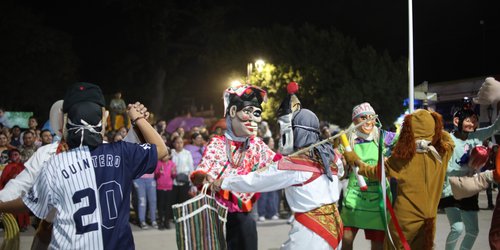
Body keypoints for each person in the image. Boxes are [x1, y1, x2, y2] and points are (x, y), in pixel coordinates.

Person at [0, 82, 167, 249]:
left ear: (65, 120)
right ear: (104, 117)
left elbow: (26, 201)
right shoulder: (118, 152)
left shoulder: (55, 163)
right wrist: (138, 118)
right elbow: (159, 150)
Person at [211, 83, 343, 249]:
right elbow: (341, 167)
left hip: (311, 233)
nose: (282, 135)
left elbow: (256, 180)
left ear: (296, 132)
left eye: (285, 129)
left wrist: (223, 182)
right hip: (334, 227)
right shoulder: (331, 157)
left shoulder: (294, 166)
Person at [190, 84, 278, 250]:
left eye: (257, 113)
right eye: (248, 112)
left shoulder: (256, 144)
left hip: (244, 215)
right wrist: (205, 177)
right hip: (217, 214)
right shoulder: (217, 143)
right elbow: (201, 171)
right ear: (232, 112)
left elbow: (279, 163)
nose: (253, 119)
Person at [358, 109, 454, 249]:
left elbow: (376, 172)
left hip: (403, 220)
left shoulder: (402, 157)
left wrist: (357, 163)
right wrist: (435, 128)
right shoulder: (443, 154)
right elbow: (448, 140)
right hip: (429, 219)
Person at [439, 96, 500, 250]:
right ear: (456, 121)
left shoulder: (476, 136)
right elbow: (442, 166)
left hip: (468, 189)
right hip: (449, 189)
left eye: (474, 120)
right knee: (458, 228)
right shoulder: (448, 139)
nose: (471, 124)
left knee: (473, 231)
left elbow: (495, 127)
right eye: (468, 120)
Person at [340, 102, 396, 250]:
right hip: (355, 196)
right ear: (354, 120)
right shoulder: (347, 139)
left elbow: (404, 141)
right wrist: (341, 160)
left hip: (378, 200)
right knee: (346, 238)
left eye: (371, 117)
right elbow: (339, 164)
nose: (368, 121)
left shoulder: (383, 136)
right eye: (363, 117)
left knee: (378, 244)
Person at [0, 149, 31, 231]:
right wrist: (11, 178)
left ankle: (23, 225)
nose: (14, 157)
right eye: (12, 155)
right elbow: (3, 180)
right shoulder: (8, 167)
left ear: (20, 155)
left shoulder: (24, 166)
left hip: (22, 191)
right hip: (11, 190)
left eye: (16, 154)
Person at [154, 148, 176, 230]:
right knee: (160, 205)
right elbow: (156, 174)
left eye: (166, 155)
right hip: (160, 187)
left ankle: (166, 222)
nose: (164, 157)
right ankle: (160, 222)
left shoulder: (172, 164)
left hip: (169, 187)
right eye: (163, 155)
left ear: (169, 155)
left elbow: (174, 176)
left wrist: (174, 173)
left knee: (167, 206)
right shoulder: (158, 163)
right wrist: (159, 171)